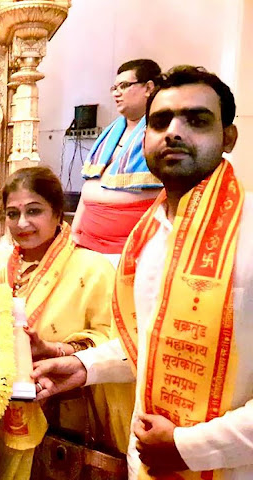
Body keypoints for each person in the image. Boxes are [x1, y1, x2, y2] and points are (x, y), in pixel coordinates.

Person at [32, 66, 253, 480]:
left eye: (197, 120)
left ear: (228, 137)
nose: (174, 132)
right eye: (161, 121)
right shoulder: (148, 237)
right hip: (147, 464)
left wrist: (190, 448)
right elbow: (151, 343)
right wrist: (83, 366)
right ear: (144, 136)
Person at [0, 167, 132, 478]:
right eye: (12, 213)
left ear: (57, 213)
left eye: (34, 211)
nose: (22, 223)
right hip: (2, 412)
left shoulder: (93, 269)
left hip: (67, 419)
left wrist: (55, 349)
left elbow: (116, 342)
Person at [71, 59, 162, 261]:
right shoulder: (111, 132)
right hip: (87, 243)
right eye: (114, 88)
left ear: (148, 88)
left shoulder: (162, 134)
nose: (116, 93)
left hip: (131, 250)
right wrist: (75, 231)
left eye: (124, 86)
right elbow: (90, 184)